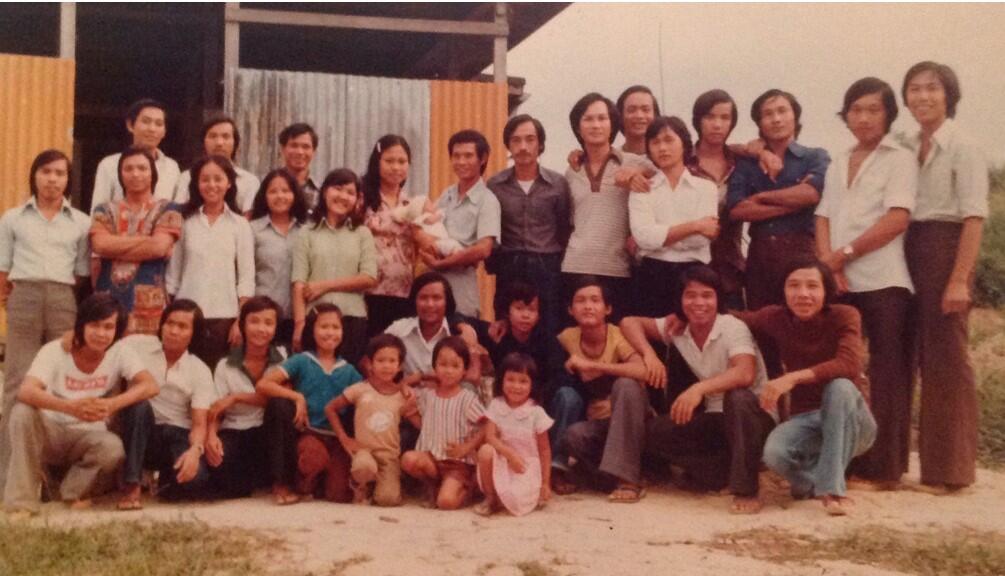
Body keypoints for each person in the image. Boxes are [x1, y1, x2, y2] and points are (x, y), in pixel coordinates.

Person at [815, 77, 917, 488]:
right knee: (847, 372)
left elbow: (897, 218)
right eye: (856, 109)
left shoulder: (899, 158)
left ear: (888, 114)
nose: (864, 117)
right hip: (840, 282)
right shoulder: (839, 160)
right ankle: (850, 459)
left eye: (873, 109)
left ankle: (886, 468)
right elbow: (823, 216)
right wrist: (828, 265)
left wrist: (845, 254)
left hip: (883, 279)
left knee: (889, 374)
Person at [620, 265, 776, 514]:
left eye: (707, 295)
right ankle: (721, 471)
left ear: (718, 299)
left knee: (737, 398)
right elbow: (629, 323)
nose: (698, 303)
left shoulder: (732, 326)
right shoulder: (679, 328)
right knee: (654, 432)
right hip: (715, 419)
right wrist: (649, 355)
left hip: (754, 416)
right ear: (680, 300)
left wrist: (698, 389)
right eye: (690, 295)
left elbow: (744, 373)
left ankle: (747, 490)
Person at [902, 61, 988, 492]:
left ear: (948, 94)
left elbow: (974, 217)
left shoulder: (963, 145)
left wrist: (959, 279)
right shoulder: (904, 141)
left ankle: (950, 471)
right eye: (914, 89)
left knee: (946, 359)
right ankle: (892, 463)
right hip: (905, 243)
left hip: (945, 245)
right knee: (905, 356)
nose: (922, 97)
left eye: (931, 89)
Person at [740, 260, 876, 516]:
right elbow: (738, 317)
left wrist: (791, 378)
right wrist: (682, 317)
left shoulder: (845, 315)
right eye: (794, 286)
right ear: (784, 291)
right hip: (807, 420)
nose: (802, 293)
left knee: (840, 388)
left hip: (853, 421)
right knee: (774, 454)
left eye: (812, 286)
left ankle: (833, 490)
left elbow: (849, 364)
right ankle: (809, 483)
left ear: (826, 292)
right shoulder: (776, 317)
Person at [3, 294, 158, 514]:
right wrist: (70, 407)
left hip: (87, 436)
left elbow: (150, 385)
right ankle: (21, 504)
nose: (101, 333)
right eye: (94, 325)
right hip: (51, 430)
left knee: (112, 448)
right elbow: (26, 390)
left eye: (108, 327)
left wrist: (112, 404)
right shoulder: (55, 350)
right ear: (81, 324)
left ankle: (68, 494)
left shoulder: (120, 352)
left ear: (117, 330)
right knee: (22, 412)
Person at [0, 150, 91, 498]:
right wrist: (19, 298)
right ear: (34, 176)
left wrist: (60, 299)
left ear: (68, 179)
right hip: (24, 297)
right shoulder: (13, 218)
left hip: (63, 298)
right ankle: (10, 480)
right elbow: (3, 269)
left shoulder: (80, 222)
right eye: (46, 172)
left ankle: (55, 481)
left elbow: (82, 273)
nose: (53, 179)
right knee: (17, 385)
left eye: (60, 173)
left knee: (60, 383)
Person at [727, 89, 831, 310]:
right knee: (762, 324)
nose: (776, 119)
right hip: (759, 256)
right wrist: (794, 204)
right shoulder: (747, 163)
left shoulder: (815, 156)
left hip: (801, 250)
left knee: (803, 322)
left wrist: (760, 197)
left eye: (782, 111)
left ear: (795, 116)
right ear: (760, 123)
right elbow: (737, 209)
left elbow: (811, 193)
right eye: (768, 114)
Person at [551, 276, 648, 502]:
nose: (588, 306)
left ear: (608, 308)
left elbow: (641, 370)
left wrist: (593, 366)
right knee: (573, 435)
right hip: (601, 423)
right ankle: (608, 476)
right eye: (581, 301)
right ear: (570, 310)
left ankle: (628, 480)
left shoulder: (616, 335)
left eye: (595, 300)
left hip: (632, 417)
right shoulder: (568, 337)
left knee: (625, 384)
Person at [257, 303, 363, 504]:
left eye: (335, 327)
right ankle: (305, 481)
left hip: (336, 437)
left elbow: (368, 393)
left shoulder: (349, 370)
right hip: (309, 433)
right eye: (324, 327)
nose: (330, 333)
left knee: (339, 495)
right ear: (312, 330)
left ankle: (324, 481)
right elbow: (263, 384)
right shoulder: (302, 360)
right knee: (313, 459)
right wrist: (297, 397)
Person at [117, 299, 214, 509]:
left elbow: (199, 424)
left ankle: (161, 481)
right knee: (139, 404)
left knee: (195, 480)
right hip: (141, 429)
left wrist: (195, 451)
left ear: (193, 333)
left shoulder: (200, 370)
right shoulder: (137, 345)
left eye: (182, 327)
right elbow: (105, 344)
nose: (173, 331)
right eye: (170, 323)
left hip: (177, 434)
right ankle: (132, 484)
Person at [167, 155, 255, 370]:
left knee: (219, 379)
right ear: (197, 184)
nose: (212, 185)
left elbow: (246, 277)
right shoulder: (185, 222)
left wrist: (240, 322)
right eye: (205, 179)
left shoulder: (240, 225)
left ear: (229, 183)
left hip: (224, 319)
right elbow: (173, 275)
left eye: (218, 179)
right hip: (186, 316)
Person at [486, 115, 571, 338]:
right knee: (507, 327)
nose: (523, 147)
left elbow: (564, 227)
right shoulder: (495, 185)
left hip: (547, 266)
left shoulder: (558, 184)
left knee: (549, 326)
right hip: (510, 265)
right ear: (508, 146)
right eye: (516, 140)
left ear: (540, 144)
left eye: (530, 139)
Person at [561, 93, 642, 321]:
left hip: (617, 269)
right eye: (588, 119)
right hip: (575, 267)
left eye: (602, 118)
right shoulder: (571, 171)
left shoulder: (633, 162)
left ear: (612, 124)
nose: (596, 125)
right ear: (578, 127)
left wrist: (639, 172)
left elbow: (662, 172)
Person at [629, 115, 720, 318]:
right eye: (655, 142)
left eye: (669, 140)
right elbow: (644, 237)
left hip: (695, 273)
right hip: (652, 275)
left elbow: (702, 238)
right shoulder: (642, 188)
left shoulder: (706, 187)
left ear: (684, 144)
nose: (662, 148)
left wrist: (661, 237)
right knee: (655, 340)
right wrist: (695, 225)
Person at [91, 146, 183, 334]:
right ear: (120, 174)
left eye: (142, 168)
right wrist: (145, 242)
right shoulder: (104, 209)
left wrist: (115, 244)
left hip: (150, 303)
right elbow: (99, 245)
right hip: (108, 300)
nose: (135, 174)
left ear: (152, 173)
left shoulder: (168, 209)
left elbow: (158, 247)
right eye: (128, 168)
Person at [292, 168, 377, 365]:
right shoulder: (307, 232)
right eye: (337, 189)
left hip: (352, 319)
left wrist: (324, 286)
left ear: (357, 199)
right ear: (324, 192)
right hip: (315, 320)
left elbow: (368, 277)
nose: (343, 196)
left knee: (346, 382)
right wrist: (299, 324)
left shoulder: (362, 233)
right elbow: (298, 283)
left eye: (350, 192)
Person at [324, 334, 419, 506]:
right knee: (363, 468)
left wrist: (413, 406)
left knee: (388, 500)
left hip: (389, 456)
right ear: (369, 363)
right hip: (364, 451)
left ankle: (384, 484)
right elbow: (330, 408)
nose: (386, 366)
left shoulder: (402, 396)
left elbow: (419, 424)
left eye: (392, 361)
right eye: (381, 360)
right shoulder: (360, 389)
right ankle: (361, 484)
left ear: (400, 366)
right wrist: (344, 439)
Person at [206, 296, 286, 499]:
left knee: (280, 403)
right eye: (254, 321)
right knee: (220, 470)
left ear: (276, 328)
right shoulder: (225, 364)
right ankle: (253, 480)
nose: (261, 329)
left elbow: (279, 399)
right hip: (236, 430)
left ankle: (279, 482)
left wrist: (236, 397)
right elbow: (217, 409)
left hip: (269, 432)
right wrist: (211, 436)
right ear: (242, 324)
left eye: (269, 323)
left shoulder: (284, 358)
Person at [421, 130, 501, 320]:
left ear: (483, 159)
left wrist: (442, 263)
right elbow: (429, 229)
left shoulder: (487, 201)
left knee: (461, 341)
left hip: (461, 290)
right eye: (456, 156)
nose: (461, 162)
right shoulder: (447, 195)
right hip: (432, 288)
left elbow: (483, 249)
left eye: (468, 156)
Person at [401, 336, 486, 510]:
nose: (448, 371)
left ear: (464, 370)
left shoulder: (467, 399)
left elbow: (487, 426)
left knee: (446, 503)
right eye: (443, 365)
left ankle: (470, 487)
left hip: (457, 464)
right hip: (432, 460)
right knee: (408, 459)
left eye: (455, 366)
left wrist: (467, 447)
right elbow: (424, 424)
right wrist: (409, 409)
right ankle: (433, 485)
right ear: (435, 367)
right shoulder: (427, 396)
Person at [475, 352, 553, 517]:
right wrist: (509, 454)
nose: (516, 386)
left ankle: (507, 497)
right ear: (501, 380)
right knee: (486, 451)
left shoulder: (536, 412)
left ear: (532, 384)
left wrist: (545, 483)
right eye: (510, 379)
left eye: (523, 381)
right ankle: (490, 498)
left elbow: (545, 451)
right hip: (503, 460)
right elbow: (489, 436)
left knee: (514, 500)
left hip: (525, 466)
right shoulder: (496, 405)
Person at [690, 90, 747, 310]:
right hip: (690, 264)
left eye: (725, 118)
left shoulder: (741, 160)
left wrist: (761, 151)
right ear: (698, 120)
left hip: (730, 266)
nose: (717, 124)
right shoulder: (682, 159)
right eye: (710, 117)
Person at [362, 135, 422, 336]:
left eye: (402, 161)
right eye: (389, 161)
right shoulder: (363, 199)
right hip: (369, 293)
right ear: (376, 162)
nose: (396, 167)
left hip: (404, 293)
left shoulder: (412, 205)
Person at [249, 169, 307, 349]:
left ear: (295, 195)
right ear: (264, 196)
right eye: (273, 191)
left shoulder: (307, 230)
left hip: (299, 317)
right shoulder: (252, 230)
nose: (280, 196)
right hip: (262, 317)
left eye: (286, 191)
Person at [91, 98, 180, 210]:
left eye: (159, 124)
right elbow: (98, 211)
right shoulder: (109, 164)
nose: (152, 129)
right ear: (130, 125)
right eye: (146, 121)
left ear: (164, 131)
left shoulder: (172, 167)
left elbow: (176, 212)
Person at [174, 115, 261, 215]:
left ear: (235, 143)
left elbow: (248, 218)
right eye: (213, 136)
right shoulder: (187, 177)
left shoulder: (249, 181)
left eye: (226, 137)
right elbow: (179, 213)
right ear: (203, 142)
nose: (219, 143)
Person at [278, 123, 321, 215]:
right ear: (282, 149)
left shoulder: (321, 191)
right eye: (294, 145)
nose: (300, 152)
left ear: (314, 151)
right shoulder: (267, 187)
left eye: (306, 147)